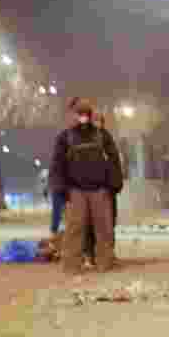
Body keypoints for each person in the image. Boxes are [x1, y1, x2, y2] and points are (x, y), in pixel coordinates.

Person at [49, 99, 123, 274]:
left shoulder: (102, 135)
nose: (83, 118)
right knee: (75, 229)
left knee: (103, 228)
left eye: (85, 114)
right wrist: (61, 188)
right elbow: (57, 164)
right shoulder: (65, 137)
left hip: (99, 189)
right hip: (75, 190)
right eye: (80, 114)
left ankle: (104, 262)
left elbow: (114, 160)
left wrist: (113, 185)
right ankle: (72, 265)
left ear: (90, 115)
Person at [83, 111, 124, 267]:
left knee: (108, 223)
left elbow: (115, 162)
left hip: (107, 188)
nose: (97, 124)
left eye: (99, 121)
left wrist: (116, 184)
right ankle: (90, 254)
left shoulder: (107, 138)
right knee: (90, 224)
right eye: (95, 121)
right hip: (90, 187)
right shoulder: (83, 139)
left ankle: (106, 253)